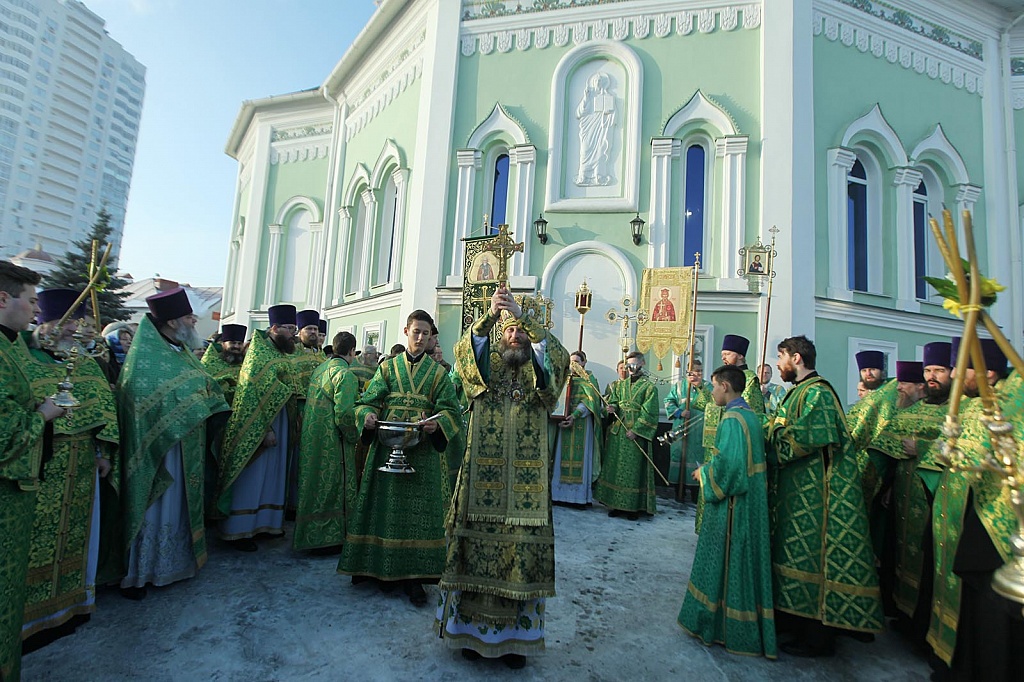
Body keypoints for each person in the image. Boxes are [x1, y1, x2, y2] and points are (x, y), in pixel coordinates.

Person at [438, 284, 569, 668]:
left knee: (522, 555)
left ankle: (518, 643)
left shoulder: (539, 368)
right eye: (509, 330)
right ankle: (470, 635)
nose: (515, 335)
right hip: (483, 474)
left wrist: (525, 316)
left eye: (521, 330)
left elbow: (558, 361)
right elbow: (465, 352)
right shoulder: (486, 360)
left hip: (526, 488)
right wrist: (489, 317)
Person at [766, 335, 883, 657]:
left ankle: (818, 637)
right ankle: (795, 623)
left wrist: (771, 434)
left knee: (813, 560)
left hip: (818, 495)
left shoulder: (817, 392)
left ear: (797, 359)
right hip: (798, 492)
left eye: (781, 356)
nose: (778, 364)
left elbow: (809, 436)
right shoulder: (798, 392)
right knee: (794, 556)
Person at [338, 309, 460, 606]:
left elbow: (452, 411)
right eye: (416, 331)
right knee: (383, 506)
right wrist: (366, 416)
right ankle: (374, 565)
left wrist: (438, 423)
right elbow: (368, 401)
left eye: (426, 333)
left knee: (417, 516)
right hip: (385, 445)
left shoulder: (440, 374)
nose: (420, 337)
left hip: (423, 452)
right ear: (406, 332)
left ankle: (414, 576)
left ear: (432, 337)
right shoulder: (387, 368)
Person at [115, 286, 230, 599]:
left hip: (187, 447)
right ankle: (142, 572)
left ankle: (175, 562)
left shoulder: (181, 353)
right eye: (188, 317)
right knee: (156, 506)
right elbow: (141, 399)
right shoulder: (144, 360)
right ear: (170, 322)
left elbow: (204, 387)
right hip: (158, 453)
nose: (194, 321)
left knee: (179, 505)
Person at [20, 289, 119, 643]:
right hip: (37, 463)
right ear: (42, 323)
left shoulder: (84, 360)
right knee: (33, 540)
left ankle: (70, 607)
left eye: (77, 324)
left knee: (77, 536)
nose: (72, 330)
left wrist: (105, 451)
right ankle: (26, 621)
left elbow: (103, 404)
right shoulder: (21, 357)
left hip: (82, 461)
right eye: (64, 323)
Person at [928, 338, 1023, 681]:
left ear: (987, 373)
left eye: (959, 368)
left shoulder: (1008, 403)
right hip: (977, 517)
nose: (952, 375)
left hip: (1000, 527)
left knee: (994, 615)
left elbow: (976, 457)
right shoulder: (987, 402)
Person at [677, 365, 776, 658]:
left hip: (733, 509)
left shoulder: (732, 419)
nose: (714, 392)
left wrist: (704, 474)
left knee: (725, 564)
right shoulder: (751, 416)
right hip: (750, 506)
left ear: (726, 387)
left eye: (715, 386)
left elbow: (730, 470)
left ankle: (717, 625)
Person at [0, 261, 64, 682]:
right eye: (31, 301)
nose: (35, 311)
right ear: (3, 299)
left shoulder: (10, 347)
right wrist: (43, 414)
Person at [216, 305, 299, 551]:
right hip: (259, 425)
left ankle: (266, 523)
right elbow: (251, 395)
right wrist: (265, 430)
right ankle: (239, 531)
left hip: (280, 420)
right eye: (289, 328)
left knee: (272, 475)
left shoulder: (278, 353)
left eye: (295, 328)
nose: (294, 334)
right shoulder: (257, 354)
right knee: (253, 476)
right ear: (274, 328)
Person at [293, 331, 360, 553]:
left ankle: (310, 536)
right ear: (352, 352)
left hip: (313, 438)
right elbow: (344, 415)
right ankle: (330, 538)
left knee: (315, 485)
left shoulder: (321, 369)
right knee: (333, 486)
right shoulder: (345, 375)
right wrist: (354, 436)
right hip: (333, 441)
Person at [690, 334, 764, 530]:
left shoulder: (748, 379)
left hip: (733, 440)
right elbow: (711, 404)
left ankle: (723, 530)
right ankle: (707, 527)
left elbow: (749, 411)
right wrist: (700, 387)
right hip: (716, 438)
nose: (723, 357)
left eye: (727, 353)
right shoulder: (723, 377)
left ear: (740, 356)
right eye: (722, 354)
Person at [594, 350, 660, 519]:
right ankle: (615, 504)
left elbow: (650, 412)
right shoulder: (619, 385)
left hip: (634, 433)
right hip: (618, 431)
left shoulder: (649, 387)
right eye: (628, 364)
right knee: (616, 468)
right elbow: (614, 402)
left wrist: (637, 430)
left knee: (634, 470)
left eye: (634, 363)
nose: (630, 367)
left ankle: (633, 507)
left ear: (642, 364)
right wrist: (612, 408)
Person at [551, 350, 603, 506]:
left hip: (581, 423)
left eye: (577, 362)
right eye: (571, 362)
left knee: (582, 459)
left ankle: (579, 498)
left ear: (584, 363)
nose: (574, 365)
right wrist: (557, 416)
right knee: (561, 457)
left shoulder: (590, 380)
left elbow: (591, 403)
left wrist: (574, 415)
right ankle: (559, 496)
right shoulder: (563, 379)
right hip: (563, 421)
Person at [664, 360, 709, 490]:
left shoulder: (707, 386)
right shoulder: (679, 386)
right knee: (679, 455)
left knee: (697, 455)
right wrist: (680, 412)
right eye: (696, 370)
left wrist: (700, 386)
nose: (699, 373)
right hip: (681, 426)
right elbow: (668, 401)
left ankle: (696, 489)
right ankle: (679, 489)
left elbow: (713, 402)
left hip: (699, 428)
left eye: (700, 370)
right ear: (689, 372)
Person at [201, 324, 247, 407]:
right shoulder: (210, 362)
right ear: (223, 344)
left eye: (239, 343)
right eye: (232, 343)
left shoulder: (246, 363)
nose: (236, 346)